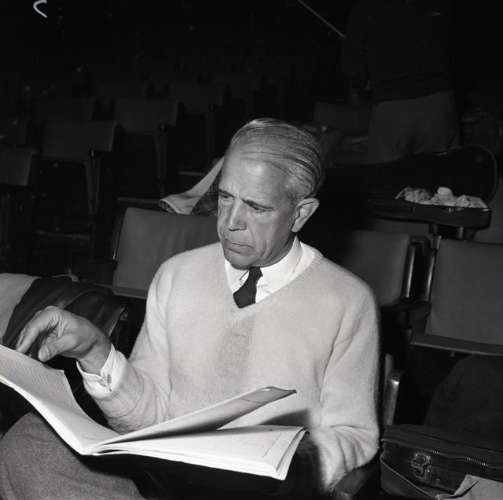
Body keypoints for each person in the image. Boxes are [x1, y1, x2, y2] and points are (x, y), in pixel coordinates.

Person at [0, 118, 380, 499]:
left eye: (256, 207)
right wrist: (95, 352)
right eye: (226, 198)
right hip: (165, 483)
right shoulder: (177, 275)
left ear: (301, 213)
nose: (231, 222)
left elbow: (353, 436)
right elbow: (148, 418)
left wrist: (289, 467)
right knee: (29, 444)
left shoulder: (346, 301)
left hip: (266, 492)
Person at [341, 0, 460, 164]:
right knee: (439, 174)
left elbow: (352, 67)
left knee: (386, 176)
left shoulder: (366, 7)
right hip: (440, 105)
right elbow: (456, 52)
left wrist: (362, 82)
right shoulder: (440, 4)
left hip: (392, 110)